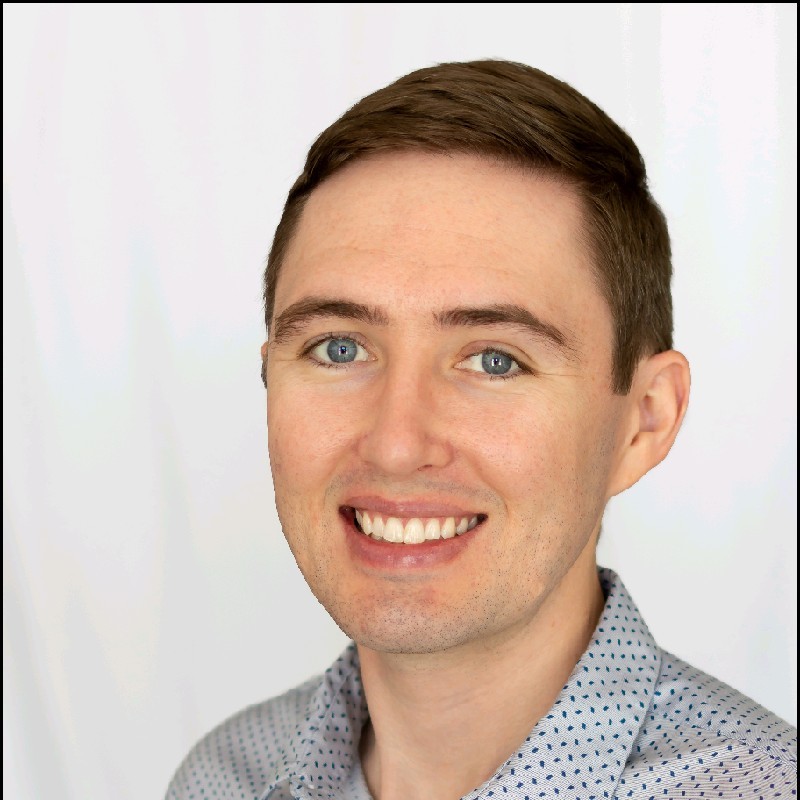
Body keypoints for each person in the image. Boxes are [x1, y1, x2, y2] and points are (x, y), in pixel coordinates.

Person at [165, 60, 796, 800]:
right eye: (338, 349)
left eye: (495, 360)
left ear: (645, 421)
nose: (396, 445)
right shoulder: (223, 778)